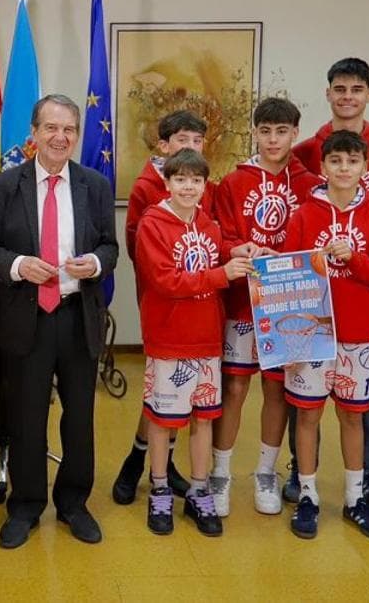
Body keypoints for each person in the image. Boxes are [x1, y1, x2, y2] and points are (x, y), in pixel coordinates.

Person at [0, 94, 119, 549]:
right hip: (28, 317)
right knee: (26, 417)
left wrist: (95, 265)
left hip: (77, 318)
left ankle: (74, 503)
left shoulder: (95, 185)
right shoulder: (5, 186)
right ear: (34, 135)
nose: (60, 137)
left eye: (69, 130)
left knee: (79, 419)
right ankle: (26, 505)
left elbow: (110, 247)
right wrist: (20, 265)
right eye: (51, 128)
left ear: (77, 136)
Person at [285, 57, 369, 510]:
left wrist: (360, 257)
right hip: (313, 302)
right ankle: (302, 476)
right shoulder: (305, 150)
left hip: (362, 298)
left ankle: (367, 475)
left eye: (357, 89)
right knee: (306, 395)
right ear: (328, 93)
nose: (348, 96)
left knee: (363, 390)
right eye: (340, 88)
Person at [282, 130, 369, 541]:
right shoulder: (303, 215)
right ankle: (308, 495)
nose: (344, 169)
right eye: (336, 161)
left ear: (365, 167)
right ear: (323, 166)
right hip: (312, 335)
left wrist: (357, 259)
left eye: (352, 161)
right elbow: (290, 275)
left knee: (353, 415)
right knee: (308, 414)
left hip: (357, 335)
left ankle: (354, 497)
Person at [210, 97, 321, 517]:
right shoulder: (233, 183)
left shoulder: (311, 183)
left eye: (282, 131)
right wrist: (236, 247)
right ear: (254, 133)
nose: (273, 139)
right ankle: (220, 474)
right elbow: (217, 237)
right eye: (265, 131)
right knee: (235, 387)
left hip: (290, 303)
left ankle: (265, 473)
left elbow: (316, 238)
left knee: (277, 388)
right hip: (243, 302)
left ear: (295, 133)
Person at [134, 148, 252, 536]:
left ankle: (199, 491)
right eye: (180, 179)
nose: (188, 187)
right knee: (163, 421)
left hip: (207, 341)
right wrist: (222, 274)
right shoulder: (153, 224)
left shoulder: (208, 223)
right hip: (169, 340)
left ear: (205, 186)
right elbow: (166, 281)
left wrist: (237, 252)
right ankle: (161, 489)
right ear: (167, 183)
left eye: (196, 180)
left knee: (204, 418)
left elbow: (214, 254)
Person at [113, 110, 214, 504]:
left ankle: (158, 464)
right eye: (182, 140)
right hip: (164, 303)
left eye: (197, 141)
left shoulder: (203, 184)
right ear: (164, 145)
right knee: (164, 388)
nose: (189, 148)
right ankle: (141, 461)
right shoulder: (145, 188)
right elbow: (144, 255)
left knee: (183, 391)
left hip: (199, 305)